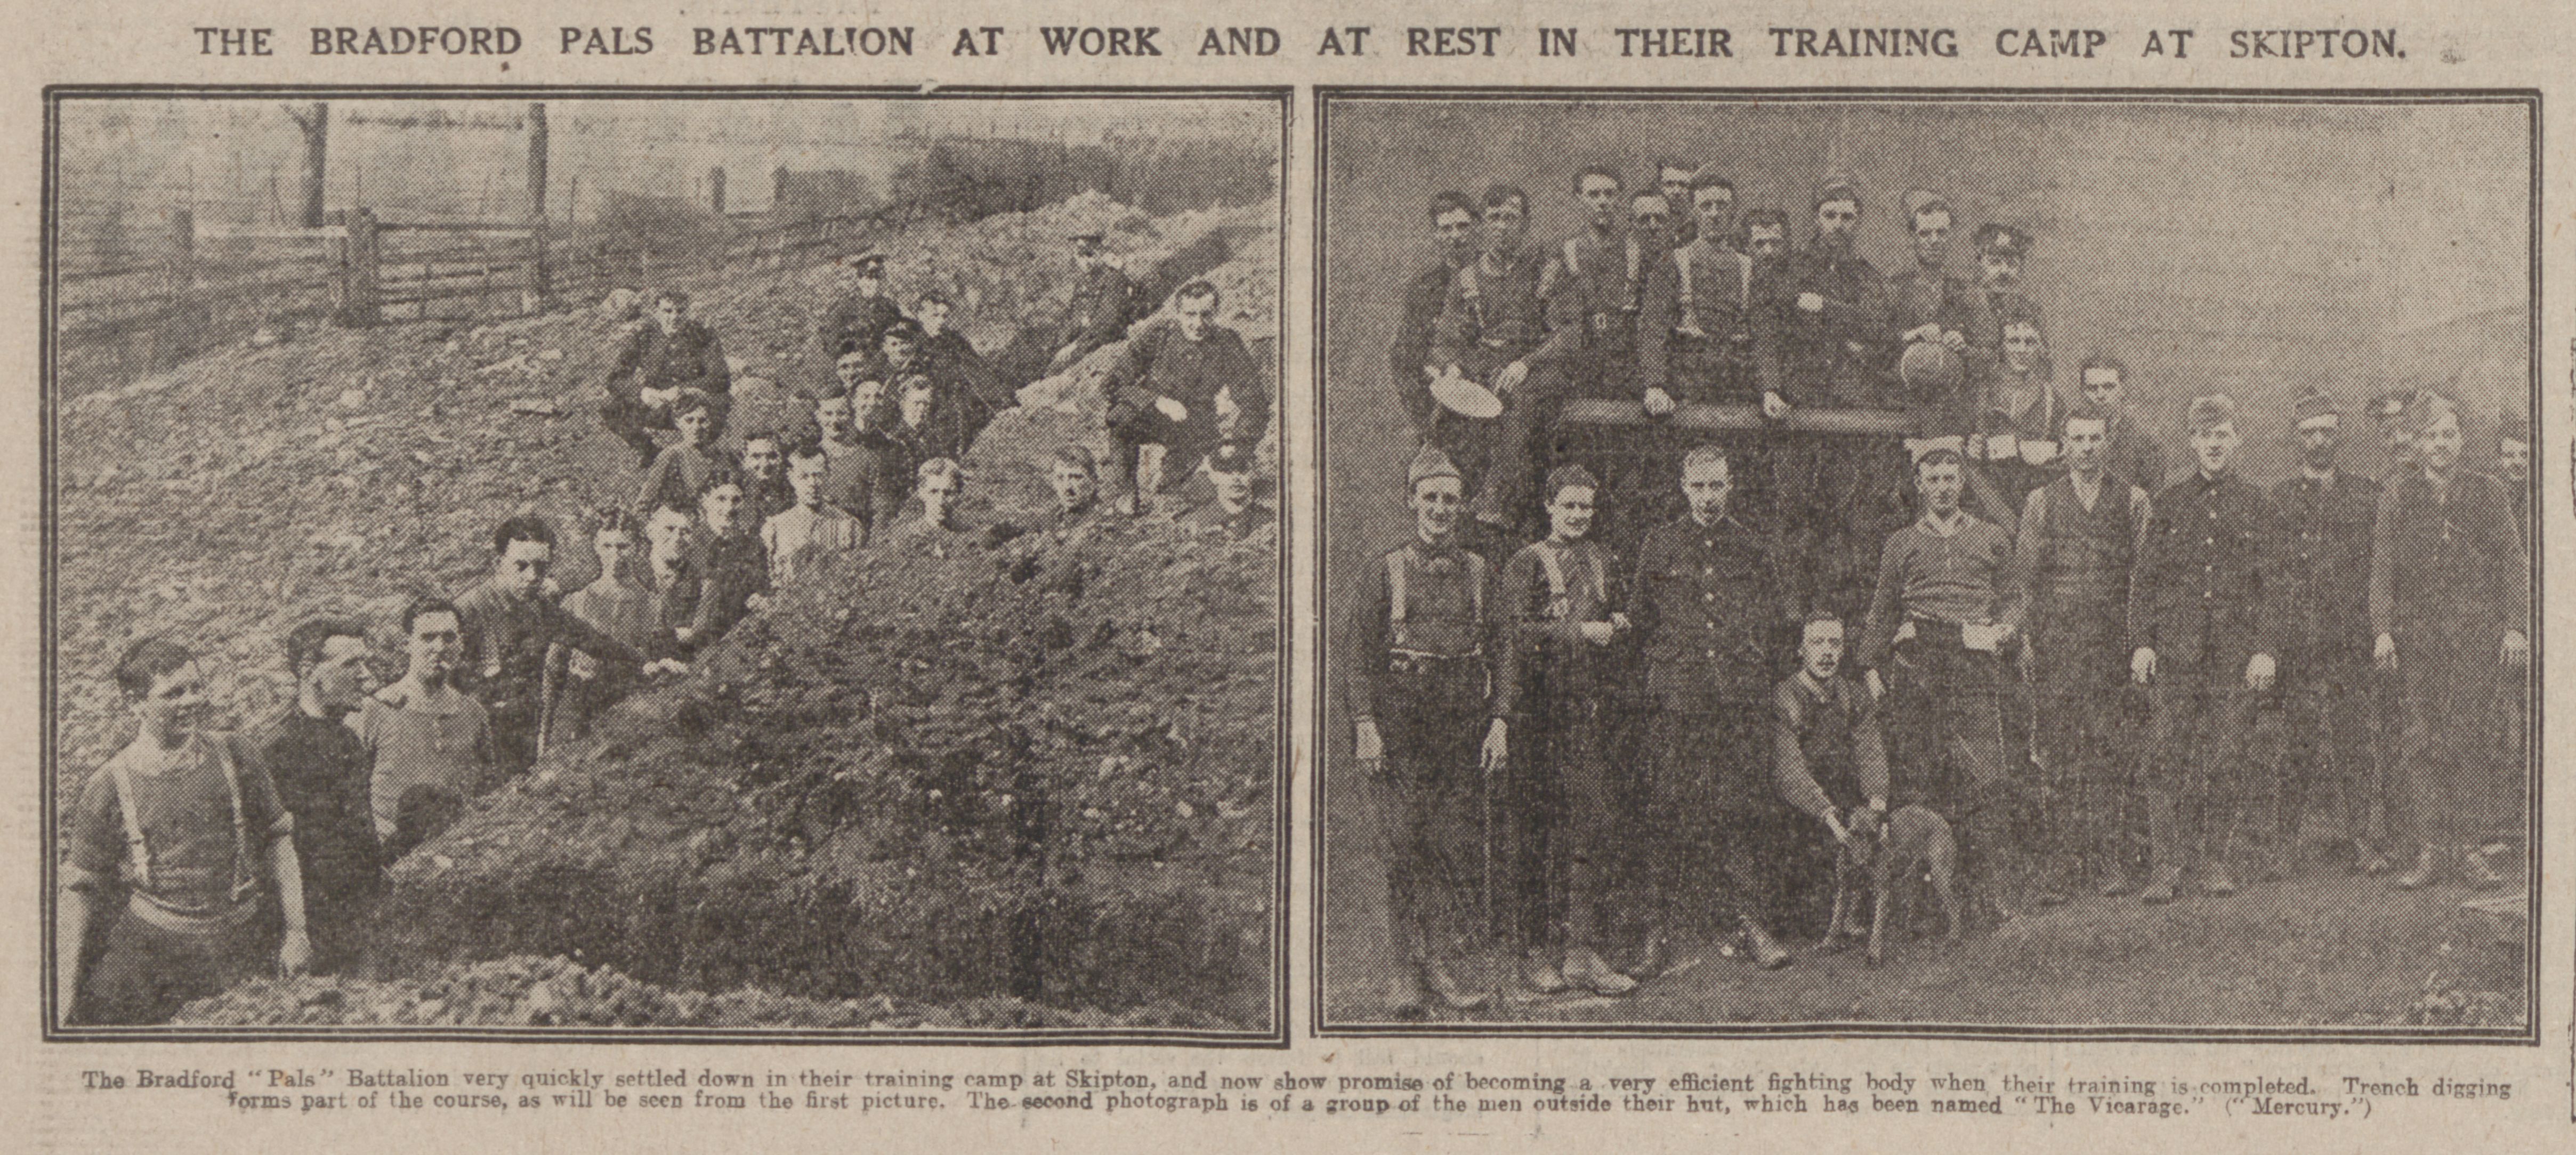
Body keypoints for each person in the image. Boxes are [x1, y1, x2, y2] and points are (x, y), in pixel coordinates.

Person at [59, 638, 312, 1024]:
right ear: (135, 703)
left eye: (196, 687)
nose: (191, 701)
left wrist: (296, 931)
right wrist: (64, 995)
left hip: (239, 938)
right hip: (154, 946)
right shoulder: (110, 783)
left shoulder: (235, 753)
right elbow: (81, 890)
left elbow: (280, 841)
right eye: (173, 693)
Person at [1629, 444, 1799, 973]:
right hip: (1679, 699)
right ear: (1683, 488)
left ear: (1731, 487)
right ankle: (1658, 930)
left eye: (1717, 486)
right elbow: (1640, 620)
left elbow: (1774, 623)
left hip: (1736, 701)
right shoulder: (1660, 544)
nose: (1708, 498)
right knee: (1667, 808)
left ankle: (1750, 922)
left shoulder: (1751, 547)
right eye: (1699, 487)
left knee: (1739, 807)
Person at [1350, 447, 1506, 1015]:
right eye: (1431, 497)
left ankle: (1439, 963)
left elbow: (1504, 650)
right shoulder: (1384, 570)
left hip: (1459, 732)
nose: (1440, 509)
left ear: (1463, 507)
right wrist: (1366, 724)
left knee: (1448, 847)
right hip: (1399, 734)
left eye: (1450, 499)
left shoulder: (1481, 572)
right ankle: (1402, 970)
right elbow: (1357, 658)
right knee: (1401, 847)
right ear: (1411, 500)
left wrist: (1500, 722)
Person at [1860, 446, 2028, 919]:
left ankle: (1994, 894)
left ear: (1963, 481)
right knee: (1923, 776)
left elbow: (2014, 601)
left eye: (1951, 478)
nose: (1943, 487)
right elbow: (1882, 611)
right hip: (1919, 667)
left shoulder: (1993, 537)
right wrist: (1870, 667)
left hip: (1976, 664)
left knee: (1987, 776)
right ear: (1919, 483)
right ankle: (1924, 905)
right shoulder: (1900, 543)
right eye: (1933, 479)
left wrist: (2006, 629)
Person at [2372, 395, 2530, 891]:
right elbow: (2383, 569)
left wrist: (2515, 626)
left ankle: (2468, 850)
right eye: (2430, 437)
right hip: (2417, 640)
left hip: (2476, 638)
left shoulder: (2488, 492)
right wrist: (2381, 629)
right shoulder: (2398, 493)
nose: (2440, 445)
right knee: (2420, 739)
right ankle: (2430, 848)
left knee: (2468, 738)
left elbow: (2512, 561)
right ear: (2416, 445)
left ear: (2460, 440)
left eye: (2448, 435)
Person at [2129, 395, 2281, 904]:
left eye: (2222, 435)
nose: (2213, 444)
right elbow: (2145, 580)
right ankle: (2166, 864)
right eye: (2204, 435)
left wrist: (2264, 649)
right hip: (2177, 651)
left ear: (2236, 440)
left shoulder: (2257, 504)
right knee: (2164, 754)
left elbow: (2272, 586)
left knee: (2226, 754)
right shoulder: (2169, 503)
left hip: (2234, 656)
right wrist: (2142, 643)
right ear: (2191, 441)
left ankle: (2215, 858)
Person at [1496, 466, 1635, 996]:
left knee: (1590, 829)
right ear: (1549, 506)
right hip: (1538, 718)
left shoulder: (1603, 559)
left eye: (1586, 507)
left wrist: (1619, 622)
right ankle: (1534, 951)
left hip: (1588, 715)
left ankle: (1582, 950)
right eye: (1569, 506)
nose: (1578, 516)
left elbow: (1615, 615)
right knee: (1535, 834)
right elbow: (1514, 634)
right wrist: (1581, 632)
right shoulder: (1527, 563)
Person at [2014, 405, 2153, 898]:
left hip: (2110, 645)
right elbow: (2025, 581)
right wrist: (2027, 639)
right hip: (2057, 647)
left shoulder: (2133, 500)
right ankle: (2063, 865)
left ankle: (2110, 861)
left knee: (2109, 751)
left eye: (2095, 438)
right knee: (2057, 754)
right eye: (2078, 438)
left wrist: (2140, 642)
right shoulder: (2041, 502)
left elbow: (2145, 578)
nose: (2087, 447)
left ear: (2108, 441)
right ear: (2064, 444)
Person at [1763, 177, 1894, 620]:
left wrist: (1826, 309)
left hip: (1848, 410)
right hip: (1798, 406)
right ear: (1815, 217)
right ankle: (1791, 613)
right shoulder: (1790, 268)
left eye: (1848, 217)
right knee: (1793, 509)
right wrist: (1771, 386)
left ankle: (1834, 615)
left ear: (1858, 221)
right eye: (1830, 215)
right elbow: (1769, 330)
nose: (1839, 225)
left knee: (1846, 515)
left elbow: (1878, 326)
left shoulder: (1865, 274)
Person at [2266, 387, 2384, 878]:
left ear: (2339, 436)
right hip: (2298, 641)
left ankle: (2361, 839)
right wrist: (2271, 644)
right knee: (2294, 741)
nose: (2318, 441)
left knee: (2354, 739)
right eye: (2309, 433)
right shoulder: (2277, 499)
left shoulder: (2366, 494)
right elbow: (2268, 577)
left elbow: (2381, 571)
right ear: (2296, 438)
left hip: (2351, 638)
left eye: (2326, 432)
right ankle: (2284, 844)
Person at [1431, 183, 1585, 534]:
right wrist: (1453, 367)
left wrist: (1526, 363)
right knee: (1447, 408)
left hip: (1541, 369)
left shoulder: (1546, 270)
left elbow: (1570, 332)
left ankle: (1498, 495)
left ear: (1526, 224)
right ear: (1483, 225)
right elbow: (1447, 339)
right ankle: (1447, 496)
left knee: (1520, 396)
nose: (1501, 226)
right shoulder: (1467, 277)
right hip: (1489, 366)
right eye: (1494, 218)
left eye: (1510, 218)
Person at [454, 515, 653, 776]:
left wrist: (645, 663)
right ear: (498, 563)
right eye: (521, 566)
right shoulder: (469, 610)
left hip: (523, 733)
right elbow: (446, 680)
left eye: (541, 567)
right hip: (476, 739)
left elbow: (591, 639)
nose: (533, 576)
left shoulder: (540, 609)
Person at [257, 618, 385, 975]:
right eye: (350, 664)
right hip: (310, 923)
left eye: (365, 662)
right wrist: (294, 933)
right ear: (310, 671)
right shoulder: (277, 749)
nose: (366, 676)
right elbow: (274, 851)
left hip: (356, 915)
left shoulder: (347, 739)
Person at [1103, 279, 1271, 514]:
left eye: (1206, 315)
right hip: (1152, 416)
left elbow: (1254, 402)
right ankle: (1126, 493)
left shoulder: (1227, 344)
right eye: (1190, 314)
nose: (1198, 324)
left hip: (1196, 426)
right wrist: (1156, 401)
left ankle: (1170, 482)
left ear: (1216, 313)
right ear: (1178, 314)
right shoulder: (1159, 336)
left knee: (1179, 499)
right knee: (1120, 417)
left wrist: (1238, 443)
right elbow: (1112, 383)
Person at [1772, 611, 1894, 933]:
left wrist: (1877, 807)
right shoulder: (1786, 696)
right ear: (1801, 649)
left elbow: (1871, 752)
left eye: (1834, 643)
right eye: (1817, 643)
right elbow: (1789, 768)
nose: (1826, 651)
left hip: (1846, 804)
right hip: (1804, 809)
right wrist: (1827, 816)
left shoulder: (1854, 696)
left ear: (1843, 650)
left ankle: (1852, 912)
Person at [360, 599, 494, 859]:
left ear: (461, 643)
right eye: (427, 638)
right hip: (391, 856)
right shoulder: (374, 710)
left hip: (459, 852)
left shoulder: (474, 713)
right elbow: (351, 793)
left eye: (449, 638)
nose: (439, 648)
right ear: (407, 643)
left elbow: (487, 788)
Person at [552, 509, 668, 741]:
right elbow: (556, 668)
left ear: (637, 548)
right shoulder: (575, 602)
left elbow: (655, 662)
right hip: (579, 708)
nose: (615, 556)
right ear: (596, 546)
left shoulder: (653, 605)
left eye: (623, 547)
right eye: (607, 547)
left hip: (628, 706)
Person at [599, 289, 732, 469]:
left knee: (715, 413)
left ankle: (702, 456)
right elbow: (615, 379)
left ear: (688, 311)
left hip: (693, 404)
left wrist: (685, 390)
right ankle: (649, 451)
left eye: (681, 311)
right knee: (610, 407)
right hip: (658, 406)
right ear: (656, 313)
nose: (675, 317)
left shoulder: (703, 336)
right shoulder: (644, 336)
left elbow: (720, 378)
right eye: (668, 311)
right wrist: (644, 393)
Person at [1549, 165, 1650, 403]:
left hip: (1629, 366)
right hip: (1579, 365)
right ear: (1579, 199)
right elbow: (1555, 317)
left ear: (1620, 198)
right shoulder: (1565, 252)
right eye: (1594, 195)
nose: (1603, 202)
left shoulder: (1637, 251)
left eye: (1610, 194)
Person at [1390, 192, 1481, 448]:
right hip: (1437, 397)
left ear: (1478, 228)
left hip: (1485, 391)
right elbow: (1406, 353)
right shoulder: (1424, 287)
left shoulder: (1497, 276)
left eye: (1463, 226)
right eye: (1446, 229)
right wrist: (1424, 409)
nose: (1455, 236)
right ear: (1436, 235)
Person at [1883, 190, 1977, 426]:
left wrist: (1964, 347)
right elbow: (1874, 345)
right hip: (1900, 409)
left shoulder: (1968, 291)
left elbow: (1990, 353)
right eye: (1925, 233)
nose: (1934, 240)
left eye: (1942, 233)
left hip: (1954, 412)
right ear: (1912, 236)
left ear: (1951, 236)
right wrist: (1910, 335)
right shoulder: (1893, 287)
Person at [1966, 300, 2062, 515]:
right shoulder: (1980, 393)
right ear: (2002, 346)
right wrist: (1975, 448)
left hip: (2032, 504)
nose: (2021, 350)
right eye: (2014, 341)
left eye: (2029, 342)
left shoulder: (2052, 399)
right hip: (1984, 503)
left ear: (2040, 347)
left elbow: (2065, 459)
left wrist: (2051, 451)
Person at [685, 467, 773, 644]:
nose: (729, 508)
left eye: (736, 500)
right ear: (704, 501)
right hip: (688, 639)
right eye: (721, 499)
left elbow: (762, 591)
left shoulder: (753, 548)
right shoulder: (689, 543)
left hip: (735, 640)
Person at [764, 438, 867, 586]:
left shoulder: (849, 526)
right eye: (804, 477)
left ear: (828, 475)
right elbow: (769, 580)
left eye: (818, 475)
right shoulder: (775, 527)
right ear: (791, 478)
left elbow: (859, 578)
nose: (812, 484)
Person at [2073, 354, 2168, 493]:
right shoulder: (2071, 437)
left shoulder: (2145, 441)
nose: (2100, 395)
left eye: (2108, 387)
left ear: (2123, 389)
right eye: (2092, 388)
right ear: (2083, 393)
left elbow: (2150, 497)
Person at [1048, 232, 1135, 376]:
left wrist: (1074, 346)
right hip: (1084, 341)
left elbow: (1107, 321)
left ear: (1100, 254)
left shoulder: (1113, 279)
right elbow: (1073, 319)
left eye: (1090, 255)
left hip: (1103, 341)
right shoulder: (1083, 282)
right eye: (1081, 256)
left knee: (1055, 373)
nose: (1086, 261)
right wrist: (1060, 346)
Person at [634, 389, 727, 512]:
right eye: (689, 421)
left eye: (703, 421)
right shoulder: (672, 455)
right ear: (678, 423)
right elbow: (644, 502)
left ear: (711, 422)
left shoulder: (719, 457)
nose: (696, 427)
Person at [813, 252, 906, 371]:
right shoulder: (843, 309)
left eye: (879, 277)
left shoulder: (891, 308)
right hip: (854, 369)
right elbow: (830, 341)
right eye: (869, 277)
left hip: (885, 368)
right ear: (859, 280)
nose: (875, 283)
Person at [1181, 440, 1275, 542]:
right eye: (1226, 470)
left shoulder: (1270, 521)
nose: (1236, 477)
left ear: (1254, 473)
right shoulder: (1194, 522)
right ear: (1213, 476)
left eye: (1243, 470)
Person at [891, 457, 980, 554]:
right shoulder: (904, 540)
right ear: (921, 493)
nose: (941, 501)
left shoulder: (970, 538)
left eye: (948, 493)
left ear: (958, 496)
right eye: (934, 492)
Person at [735, 427, 795, 524]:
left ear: (782, 459)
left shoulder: (792, 496)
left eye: (772, 456)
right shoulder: (734, 497)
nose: (765, 464)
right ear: (744, 461)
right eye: (756, 456)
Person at [1044, 445, 1104, 537]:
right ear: (1053, 482)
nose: (1067, 487)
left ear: (1093, 482)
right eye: (1060, 478)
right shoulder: (1048, 523)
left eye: (1076, 477)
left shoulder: (1103, 526)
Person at [1656, 159, 1705, 248]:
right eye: (1670, 184)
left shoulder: (1702, 225)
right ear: (1660, 187)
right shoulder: (1649, 223)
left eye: (1683, 185)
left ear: (1694, 189)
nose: (1677, 191)